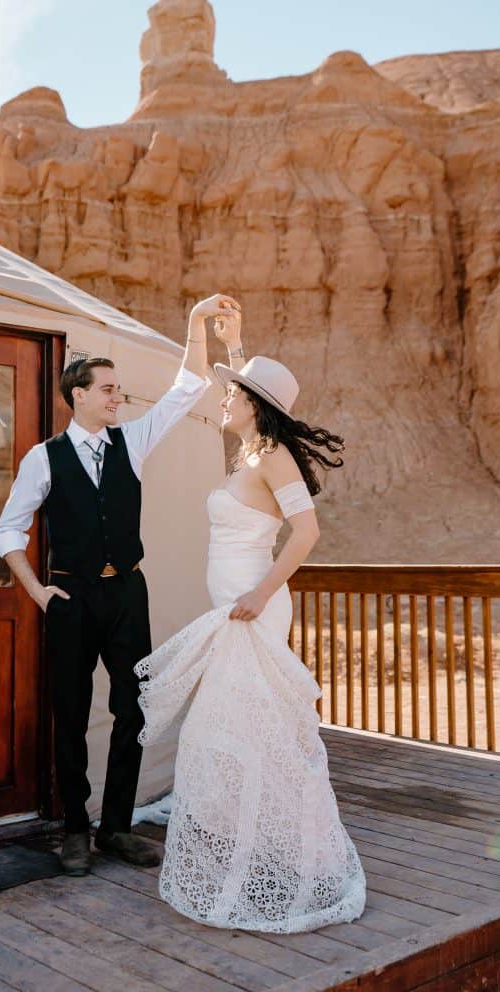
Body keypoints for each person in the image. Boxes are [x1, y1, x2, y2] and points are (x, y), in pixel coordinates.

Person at [135, 306, 366, 932]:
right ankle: (252, 848)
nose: (224, 398)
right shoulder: (250, 453)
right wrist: (236, 348)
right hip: (230, 608)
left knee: (255, 727)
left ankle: (282, 855)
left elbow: (307, 531)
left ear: (251, 405)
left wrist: (262, 595)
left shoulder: (273, 461)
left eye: (233, 393)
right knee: (230, 729)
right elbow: (256, 397)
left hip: (253, 610)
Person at [0, 295, 235, 876]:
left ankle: (117, 828)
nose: (119, 397)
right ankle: (76, 829)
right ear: (78, 396)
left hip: (129, 594)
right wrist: (35, 590)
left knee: (133, 709)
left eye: (119, 389)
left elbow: (185, 388)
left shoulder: (135, 439)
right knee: (71, 713)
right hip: (71, 599)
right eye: (108, 389)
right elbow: (7, 531)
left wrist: (197, 322)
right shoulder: (43, 459)